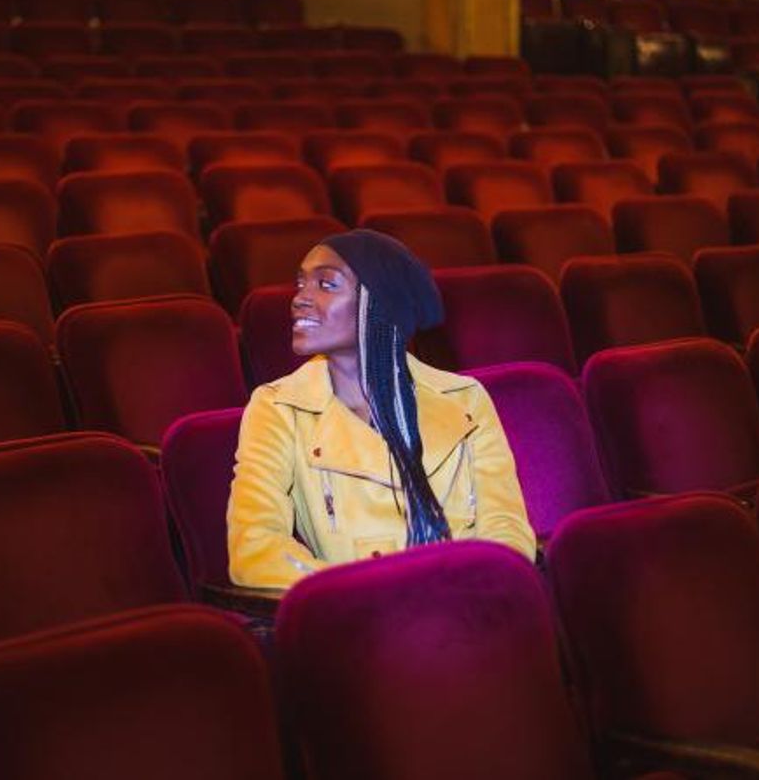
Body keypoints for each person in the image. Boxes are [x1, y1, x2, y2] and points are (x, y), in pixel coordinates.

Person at [226, 229, 536, 590]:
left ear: (379, 303)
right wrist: (369, 595)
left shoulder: (465, 399)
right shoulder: (278, 408)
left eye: (325, 284)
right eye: (301, 284)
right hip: (357, 611)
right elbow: (255, 548)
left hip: (468, 601)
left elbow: (506, 527)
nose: (299, 299)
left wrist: (475, 591)